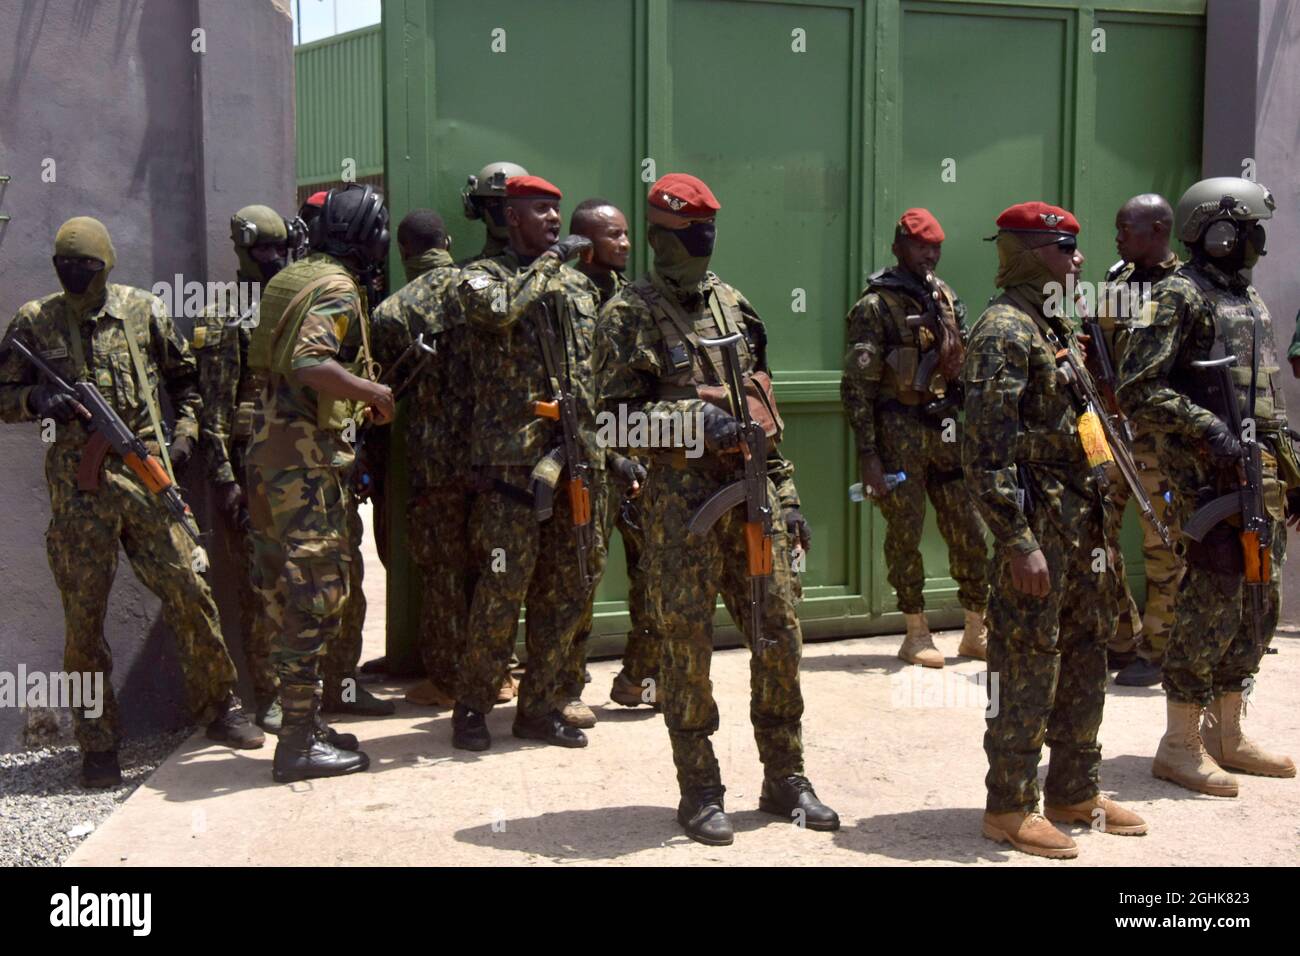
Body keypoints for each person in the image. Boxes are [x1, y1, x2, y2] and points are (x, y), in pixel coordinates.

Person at [594, 173, 838, 846]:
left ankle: (786, 776)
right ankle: (699, 788)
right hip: (682, 515)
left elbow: (763, 412)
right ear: (659, 238)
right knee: (686, 646)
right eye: (686, 235)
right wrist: (697, 423)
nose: (700, 244)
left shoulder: (735, 306)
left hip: (754, 507)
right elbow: (613, 425)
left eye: (706, 232)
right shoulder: (628, 316)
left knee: (779, 634)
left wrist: (787, 501)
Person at [0, 216, 262, 788]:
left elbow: (185, 382)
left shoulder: (143, 311)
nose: (74, 276)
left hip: (145, 478)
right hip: (77, 492)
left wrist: (187, 433)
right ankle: (98, 745)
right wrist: (36, 399)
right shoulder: (35, 322)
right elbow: (2, 394)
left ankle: (218, 708)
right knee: (83, 621)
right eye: (64, 268)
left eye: (85, 268)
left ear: (107, 265)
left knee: (190, 588)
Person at [964, 201, 1146, 859]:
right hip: (1040, 530)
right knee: (1024, 664)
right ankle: (1009, 806)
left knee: (1086, 655)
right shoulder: (1003, 332)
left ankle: (1074, 790)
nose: (1080, 261)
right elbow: (984, 453)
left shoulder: (1056, 327)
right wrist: (1017, 540)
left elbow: (1084, 422)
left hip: (1084, 527)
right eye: (1066, 249)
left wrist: (1107, 477)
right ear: (1032, 253)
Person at [1118, 177, 1296, 795]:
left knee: (1257, 604)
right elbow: (1137, 386)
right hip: (1203, 479)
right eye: (1250, 233)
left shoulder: (1246, 300)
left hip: (1256, 475)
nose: (1258, 246)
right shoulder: (1175, 297)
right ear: (1218, 232)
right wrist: (1208, 430)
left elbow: (1265, 398)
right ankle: (1179, 743)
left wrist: (1291, 471)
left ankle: (1226, 734)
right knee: (1206, 603)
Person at [245, 184, 395, 782]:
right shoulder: (335, 287)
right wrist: (373, 393)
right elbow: (310, 362)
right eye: (378, 231)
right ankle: (299, 744)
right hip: (304, 466)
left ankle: (301, 721)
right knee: (314, 594)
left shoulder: (296, 275)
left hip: (270, 456)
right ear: (361, 233)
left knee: (281, 590)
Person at [450, 174, 602, 752]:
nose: (552, 221)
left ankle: (539, 708)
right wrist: (550, 264)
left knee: (566, 589)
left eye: (556, 212)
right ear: (510, 217)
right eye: (540, 211)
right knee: (500, 588)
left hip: (573, 461)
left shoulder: (578, 287)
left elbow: (594, 367)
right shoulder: (478, 277)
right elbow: (498, 312)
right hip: (511, 465)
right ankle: (472, 705)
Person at [841, 208, 988, 666]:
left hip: (943, 428)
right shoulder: (875, 305)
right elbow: (857, 387)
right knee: (905, 534)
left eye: (936, 247)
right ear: (898, 246)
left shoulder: (943, 296)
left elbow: (959, 357)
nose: (930, 255)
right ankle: (915, 630)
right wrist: (868, 453)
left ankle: (975, 629)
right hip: (896, 431)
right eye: (922, 246)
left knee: (967, 528)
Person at [192, 204, 294, 732]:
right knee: (260, 588)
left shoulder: (293, 301)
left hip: (298, 465)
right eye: (264, 251)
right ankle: (269, 695)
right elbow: (213, 409)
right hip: (250, 469)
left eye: (281, 249)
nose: (275, 259)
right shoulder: (226, 313)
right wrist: (226, 482)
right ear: (243, 249)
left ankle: (305, 690)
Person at [555, 199, 655, 724]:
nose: (625, 243)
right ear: (587, 241)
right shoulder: (563, 298)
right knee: (582, 575)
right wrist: (609, 454)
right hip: (592, 461)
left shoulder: (635, 300)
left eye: (625, 234)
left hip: (641, 454)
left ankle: (640, 679)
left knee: (656, 568)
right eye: (613, 235)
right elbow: (572, 392)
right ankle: (567, 686)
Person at [369, 209, 473, 711]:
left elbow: (384, 391)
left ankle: (447, 680)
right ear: (448, 241)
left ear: (403, 252)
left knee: (443, 570)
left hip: (435, 460)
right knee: (495, 566)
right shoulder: (483, 289)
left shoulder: (391, 312)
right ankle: (496, 674)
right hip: (496, 453)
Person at [1097, 194, 1184, 687]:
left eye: (1125, 228)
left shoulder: (1185, 289)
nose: (1117, 237)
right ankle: (1120, 637)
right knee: (1092, 533)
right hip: (1106, 430)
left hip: (1158, 439)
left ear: (1156, 229)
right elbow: (1101, 347)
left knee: (1162, 545)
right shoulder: (1118, 283)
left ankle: (1158, 648)